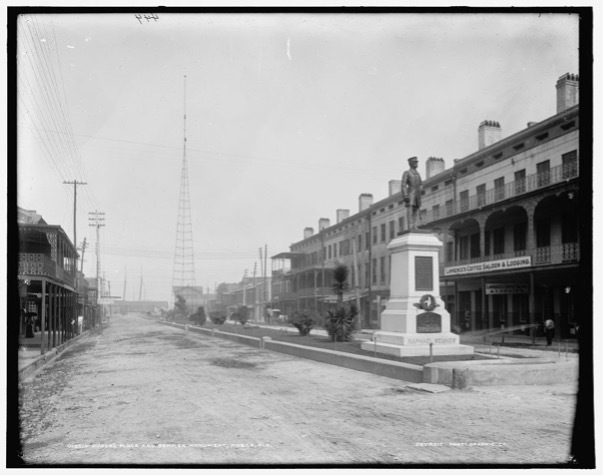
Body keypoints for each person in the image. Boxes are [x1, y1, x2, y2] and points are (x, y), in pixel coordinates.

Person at [401, 156, 423, 230]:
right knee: (410, 209)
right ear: (410, 163)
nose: (416, 163)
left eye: (417, 162)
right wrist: (405, 196)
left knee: (415, 209)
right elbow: (403, 185)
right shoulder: (407, 173)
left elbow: (420, 183)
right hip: (411, 193)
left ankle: (414, 224)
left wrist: (420, 189)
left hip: (417, 194)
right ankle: (410, 225)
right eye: (415, 162)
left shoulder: (418, 174)